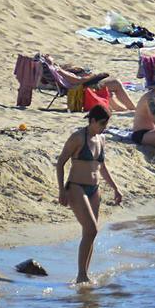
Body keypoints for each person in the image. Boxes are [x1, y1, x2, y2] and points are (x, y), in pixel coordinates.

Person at [55, 106, 124, 284]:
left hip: (95, 189)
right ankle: (81, 275)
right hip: (77, 187)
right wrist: (61, 190)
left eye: (106, 124)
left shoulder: (101, 138)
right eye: (102, 123)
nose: (104, 127)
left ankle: (84, 275)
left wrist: (115, 188)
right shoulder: (78, 137)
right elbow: (60, 162)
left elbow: (102, 167)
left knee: (90, 233)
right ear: (92, 120)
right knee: (91, 230)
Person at [41, 56, 137, 112]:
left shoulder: (57, 70)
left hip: (84, 87)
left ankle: (124, 110)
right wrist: (93, 77)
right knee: (116, 83)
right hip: (84, 89)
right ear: (50, 62)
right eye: (49, 57)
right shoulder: (59, 70)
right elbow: (77, 81)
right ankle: (132, 108)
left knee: (109, 89)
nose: (50, 56)